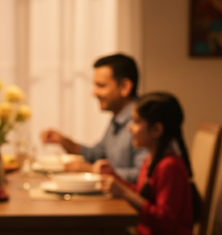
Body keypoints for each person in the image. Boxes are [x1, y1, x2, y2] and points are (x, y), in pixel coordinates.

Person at [75, 91, 200, 235]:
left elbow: (164, 220)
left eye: (136, 122)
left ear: (156, 130)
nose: (129, 128)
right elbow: (142, 195)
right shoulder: (151, 160)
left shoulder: (170, 166)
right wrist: (114, 177)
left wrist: (123, 190)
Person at [41, 53, 147, 183]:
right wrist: (63, 141)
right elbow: (97, 155)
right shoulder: (118, 118)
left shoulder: (143, 122)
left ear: (125, 87)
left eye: (101, 86)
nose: (94, 92)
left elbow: (143, 176)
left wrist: (92, 170)